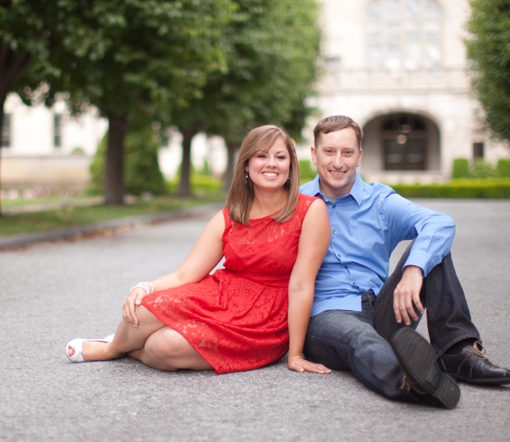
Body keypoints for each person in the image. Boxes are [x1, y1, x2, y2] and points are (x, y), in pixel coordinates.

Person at [65, 124, 332, 375]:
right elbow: (184, 275)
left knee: (163, 346)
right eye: (261, 155)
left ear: (291, 166)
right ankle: (112, 348)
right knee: (145, 306)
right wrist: (143, 287)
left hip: (263, 320)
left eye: (280, 157)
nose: (271, 163)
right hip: (220, 297)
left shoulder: (310, 211)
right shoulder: (230, 216)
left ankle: (127, 346)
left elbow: (301, 286)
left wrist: (295, 354)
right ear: (247, 166)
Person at [299, 115, 510, 408]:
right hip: (326, 316)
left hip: (382, 311)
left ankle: (456, 352)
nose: (338, 162)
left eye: (347, 152)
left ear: (359, 156)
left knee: (430, 248)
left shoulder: (379, 202)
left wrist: (414, 269)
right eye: (329, 151)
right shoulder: (296, 203)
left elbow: (440, 223)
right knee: (359, 336)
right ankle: (412, 382)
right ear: (314, 154)